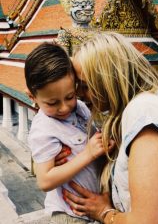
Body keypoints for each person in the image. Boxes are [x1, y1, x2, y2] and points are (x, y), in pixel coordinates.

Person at [59, 31, 158, 223]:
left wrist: (104, 213)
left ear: (108, 80)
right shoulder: (127, 116)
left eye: (86, 85)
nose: (79, 93)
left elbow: (145, 221)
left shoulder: (144, 111)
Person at [25, 42, 111, 224]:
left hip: (94, 208)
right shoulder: (43, 129)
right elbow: (45, 181)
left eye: (70, 97)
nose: (64, 107)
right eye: (52, 103)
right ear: (32, 97)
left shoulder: (80, 108)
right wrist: (87, 153)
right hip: (70, 215)